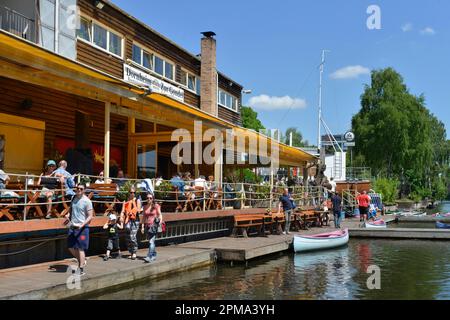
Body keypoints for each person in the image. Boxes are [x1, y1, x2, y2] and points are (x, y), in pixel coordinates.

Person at [64, 183, 94, 276]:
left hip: (82, 227)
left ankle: (81, 269)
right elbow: (71, 209)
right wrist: (68, 215)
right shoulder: (74, 198)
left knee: (80, 248)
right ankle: (82, 260)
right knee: (70, 247)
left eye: (81, 189)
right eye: (77, 188)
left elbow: (90, 216)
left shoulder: (87, 201)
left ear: (84, 190)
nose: (79, 190)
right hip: (73, 225)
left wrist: (82, 224)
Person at [120, 187, 142, 260]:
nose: (132, 194)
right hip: (127, 220)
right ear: (128, 193)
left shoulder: (137, 200)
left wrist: (134, 210)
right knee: (127, 237)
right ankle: (131, 252)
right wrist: (121, 217)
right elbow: (123, 211)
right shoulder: (125, 201)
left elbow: (138, 210)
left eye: (134, 192)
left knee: (133, 237)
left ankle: (134, 252)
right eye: (131, 192)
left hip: (135, 221)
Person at [140, 193, 162, 263]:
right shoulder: (145, 207)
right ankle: (154, 255)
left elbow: (160, 215)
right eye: (148, 198)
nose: (149, 199)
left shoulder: (156, 206)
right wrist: (142, 227)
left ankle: (149, 256)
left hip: (154, 225)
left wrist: (159, 223)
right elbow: (143, 217)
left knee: (151, 241)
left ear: (153, 199)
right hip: (148, 226)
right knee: (152, 241)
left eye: (150, 198)